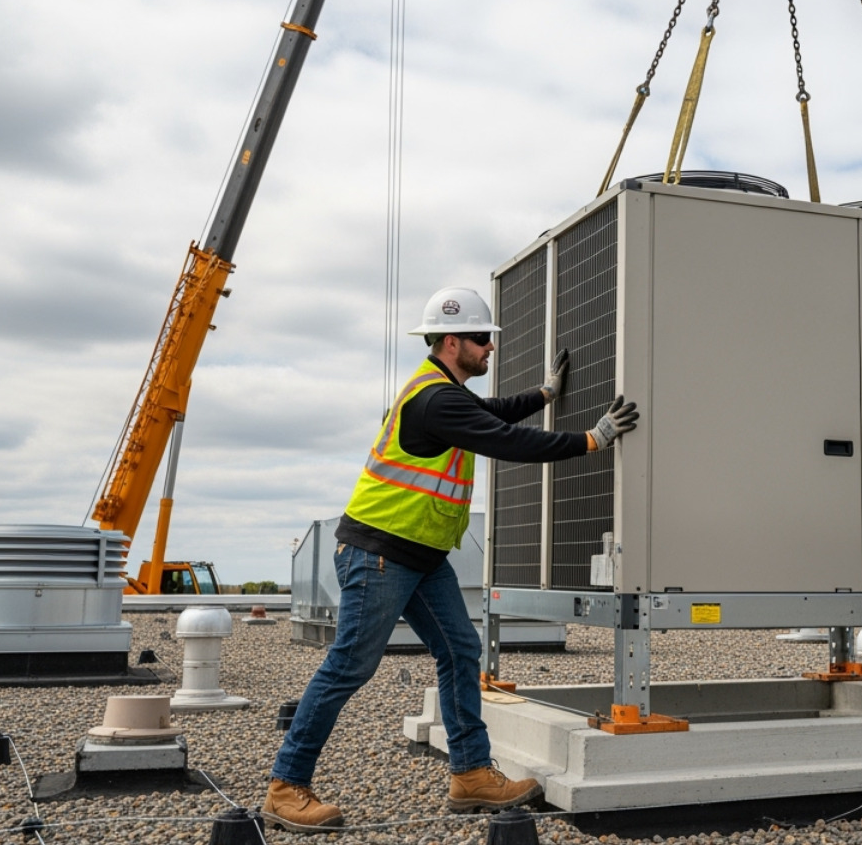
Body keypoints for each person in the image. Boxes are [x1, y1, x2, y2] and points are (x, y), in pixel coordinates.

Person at [263, 286, 640, 832]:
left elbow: (492, 412)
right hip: (380, 554)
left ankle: (470, 776)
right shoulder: (436, 400)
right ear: (452, 341)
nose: (491, 349)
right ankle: (285, 786)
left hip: (415, 556)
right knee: (349, 666)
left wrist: (545, 392)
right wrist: (591, 439)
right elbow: (506, 438)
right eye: (483, 340)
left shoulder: (445, 391)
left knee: (461, 650)